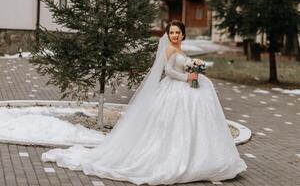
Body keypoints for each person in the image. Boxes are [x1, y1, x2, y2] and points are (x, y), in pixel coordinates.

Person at [42, 20, 247, 185]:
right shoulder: (170, 51)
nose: (175, 35)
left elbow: (182, 67)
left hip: (184, 89)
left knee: (190, 124)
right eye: (171, 32)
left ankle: (198, 157)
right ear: (169, 35)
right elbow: (168, 71)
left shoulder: (181, 51)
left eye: (178, 32)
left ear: (183, 34)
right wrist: (188, 78)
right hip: (174, 88)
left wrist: (194, 72)